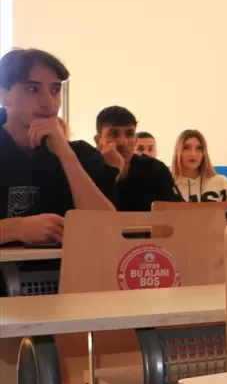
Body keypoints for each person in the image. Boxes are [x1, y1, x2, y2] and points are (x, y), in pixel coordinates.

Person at [0, 48, 116, 245]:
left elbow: (109, 229)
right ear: (4, 94)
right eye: (33, 89)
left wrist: (66, 156)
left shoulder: (81, 154)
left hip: (68, 265)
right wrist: (14, 228)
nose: (49, 103)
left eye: (55, 90)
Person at [94, 106, 180, 211]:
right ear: (98, 141)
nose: (122, 142)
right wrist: (112, 173)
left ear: (135, 140)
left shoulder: (155, 169)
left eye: (129, 134)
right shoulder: (87, 170)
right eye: (113, 134)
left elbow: (179, 212)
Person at [171, 129, 227, 203]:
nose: (193, 154)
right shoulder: (168, 185)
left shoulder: (221, 182)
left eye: (198, 148)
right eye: (186, 148)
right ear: (178, 152)